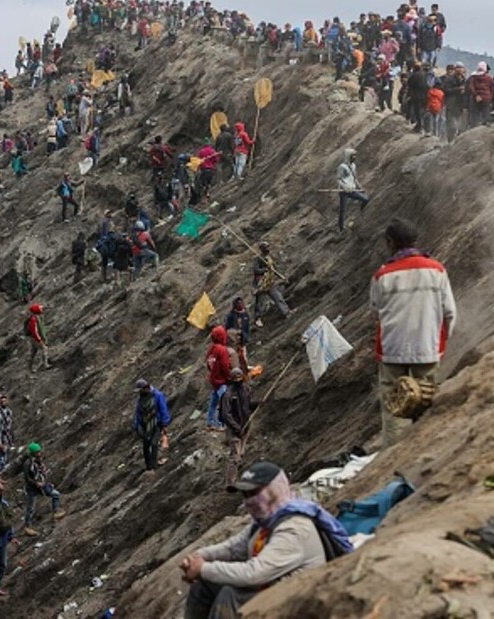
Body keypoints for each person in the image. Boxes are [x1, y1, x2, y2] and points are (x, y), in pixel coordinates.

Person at [179, 462, 353, 618]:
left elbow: (255, 572)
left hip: (295, 599)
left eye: (254, 493)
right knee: (206, 583)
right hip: (270, 588)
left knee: (230, 594)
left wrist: (203, 568)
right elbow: (234, 548)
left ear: (274, 491)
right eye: (245, 495)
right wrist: (198, 556)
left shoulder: (294, 527)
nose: (248, 502)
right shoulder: (267, 521)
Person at [370, 218, 456, 447]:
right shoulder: (436, 270)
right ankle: (425, 446)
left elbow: (376, 310)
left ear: (390, 243)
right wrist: (441, 341)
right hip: (427, 346)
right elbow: (450, 313)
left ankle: (394, 453)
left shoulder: (382, 275)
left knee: (394, 402)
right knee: (427, 397)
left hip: (392, 347)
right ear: (415, 241)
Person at [22, 442, 66, 536]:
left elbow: (42, 473)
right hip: (32, 488)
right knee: (31, 508)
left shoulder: (39, 461)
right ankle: (27, 527)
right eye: (37, 452)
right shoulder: (27, 463)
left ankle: (56, 512)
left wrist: (46, 482)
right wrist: (36, 483)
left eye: (39, 451)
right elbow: (27, 478)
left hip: (42, 485)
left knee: (55, 494)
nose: (39, 453)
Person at [219, 369, 252, 487]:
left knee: (241, 453)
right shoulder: (228, 394)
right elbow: (225, 414)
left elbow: (248, 406)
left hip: (245, 426)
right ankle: (230, 483)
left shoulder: (246, 389)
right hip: (233, 429)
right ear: (232, 379)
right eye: (235, 378)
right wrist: (236, 428)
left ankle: (237, 476)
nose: (238, 380)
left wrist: (257, 404)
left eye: (239, 377)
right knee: (235, 456)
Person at [132, 379, 172, 472]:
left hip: (157, 423)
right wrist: (136, 425)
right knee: (146, 446)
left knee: (154, 444)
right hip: (145, 425)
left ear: (146, 388)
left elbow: (163, 410)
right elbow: (138, 413)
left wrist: (165, 423)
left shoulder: (158, 396)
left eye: (141, 390)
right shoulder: (141, 399)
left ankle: (154, 466)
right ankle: (148, 467)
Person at [252, 242, 292, 327]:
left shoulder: (269, 259)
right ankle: (257, 318)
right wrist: (265, 269)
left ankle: (286, 312)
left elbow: (274, 270)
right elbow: (256, 270)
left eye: (268, 247)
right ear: (262, 249)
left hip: (270, 283)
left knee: (278, 297)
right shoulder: (258, 259)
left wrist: (281, 277)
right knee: (260, 303)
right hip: (261, 284)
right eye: (266, 247)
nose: (268, 249)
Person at [336, 148, 369, 232]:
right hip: (344, 191)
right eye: (353, 155)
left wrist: (360, 187)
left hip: (352, 190)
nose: (354, 157)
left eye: (355, 155)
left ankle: (361, 213)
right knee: (343, 209)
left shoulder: (353, 166)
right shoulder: (342, 167)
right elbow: (339, 179)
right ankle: (341, 227)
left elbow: (355, 178)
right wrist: (344, 187)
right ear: (348, 156)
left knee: (365, 199)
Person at [205, 326, 231, 431]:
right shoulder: (222, 350)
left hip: (214, 380)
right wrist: (229, 377)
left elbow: (207, 363)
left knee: (213, 403)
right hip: (221, 381)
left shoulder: (211, 349)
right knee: (223, 403)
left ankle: (209, 423)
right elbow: (225, 365)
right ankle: (219, 424)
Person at [0, 392, 14, 483]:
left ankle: (0, 477)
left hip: (7, 438)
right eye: (2, 401)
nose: (4, 402)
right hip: (0, 439)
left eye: (5, 401)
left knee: (4, 458)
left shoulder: (9, 412)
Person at [467, 62, 494, 128]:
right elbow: (492, 88)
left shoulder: (473, 77)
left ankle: (474, 127)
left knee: (475, 114)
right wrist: (490, 97)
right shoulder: (489, 78)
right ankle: (485, 127)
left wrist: (476, 95)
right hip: (486, 97)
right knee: (485, 113)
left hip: (476, 98)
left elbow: (471, 87)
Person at [26, 303, 51, 372]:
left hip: (33, 338)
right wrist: (39, 340)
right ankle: (45, 365)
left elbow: (41, 307)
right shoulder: (34, 319)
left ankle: (29, 368)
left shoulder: (36, 317)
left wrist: (47, 307)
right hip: (35, 338)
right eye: (40, 309)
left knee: (33, 352)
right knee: (44, 349)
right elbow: (35, 331)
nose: (42, 310)